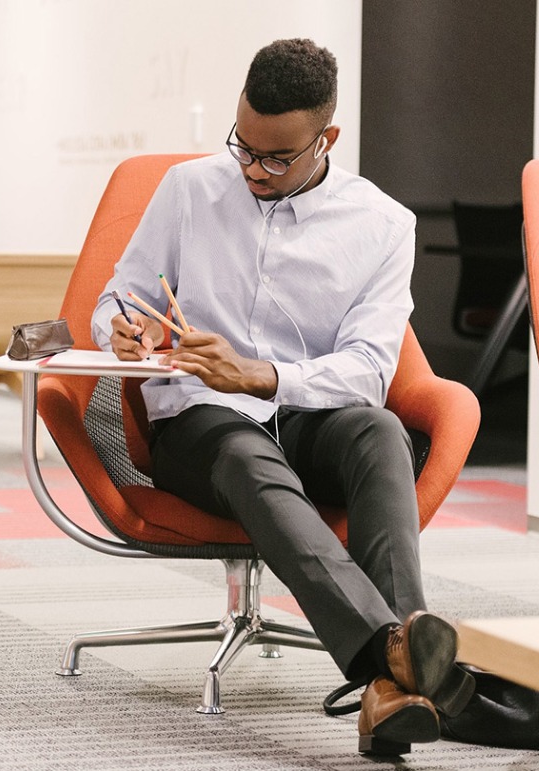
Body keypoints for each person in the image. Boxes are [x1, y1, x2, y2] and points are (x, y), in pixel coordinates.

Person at [91, 38, 474, 755]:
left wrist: (264, 375)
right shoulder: (188, 188)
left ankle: (390, 679)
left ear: (326, 139)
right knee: (244, 454)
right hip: (198, 424)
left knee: (378, 432)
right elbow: (123, 292)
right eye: (243, 147)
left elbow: (367, 370)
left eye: (276, 158)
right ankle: (399, 654)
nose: (251, 170)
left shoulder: (383, 225)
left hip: (307, 415)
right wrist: (121, 324)